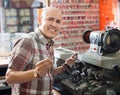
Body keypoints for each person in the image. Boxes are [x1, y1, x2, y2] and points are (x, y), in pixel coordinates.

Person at [5, 7, 77, 95]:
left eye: (58, 22)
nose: (54, 24)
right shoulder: (28, 41)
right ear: (40, 20)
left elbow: (47, 73)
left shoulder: (48, 44)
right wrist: (35, 73)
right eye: (50, 19)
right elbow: (9, 77)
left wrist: (65, 67)